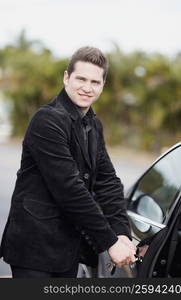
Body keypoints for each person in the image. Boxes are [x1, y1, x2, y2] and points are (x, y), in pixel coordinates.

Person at [0, 46, 136, 278]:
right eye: (81, 79)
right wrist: (109, 242)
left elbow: (108, 182)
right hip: (34, 248)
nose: (87, 87)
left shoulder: (93, 124)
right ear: (66, 78)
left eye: (95, 82)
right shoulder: (47, 121)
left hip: (68, 249)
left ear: (103, 85)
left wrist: (122, 233)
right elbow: (69, 189)